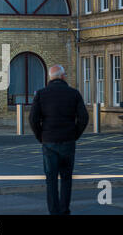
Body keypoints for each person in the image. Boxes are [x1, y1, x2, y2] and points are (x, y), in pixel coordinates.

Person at [29, 64, 89, 215]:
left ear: (50, 77)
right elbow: (84, 117)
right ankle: (64, 210)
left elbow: (33, 119)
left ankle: (54, 211)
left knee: (51, 179)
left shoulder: (41, 94)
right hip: (68, 139)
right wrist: (75, 134)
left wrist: (41, 136)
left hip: (49, 141)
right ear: (63, 76)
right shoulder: (74, 94)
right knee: (66, 178)